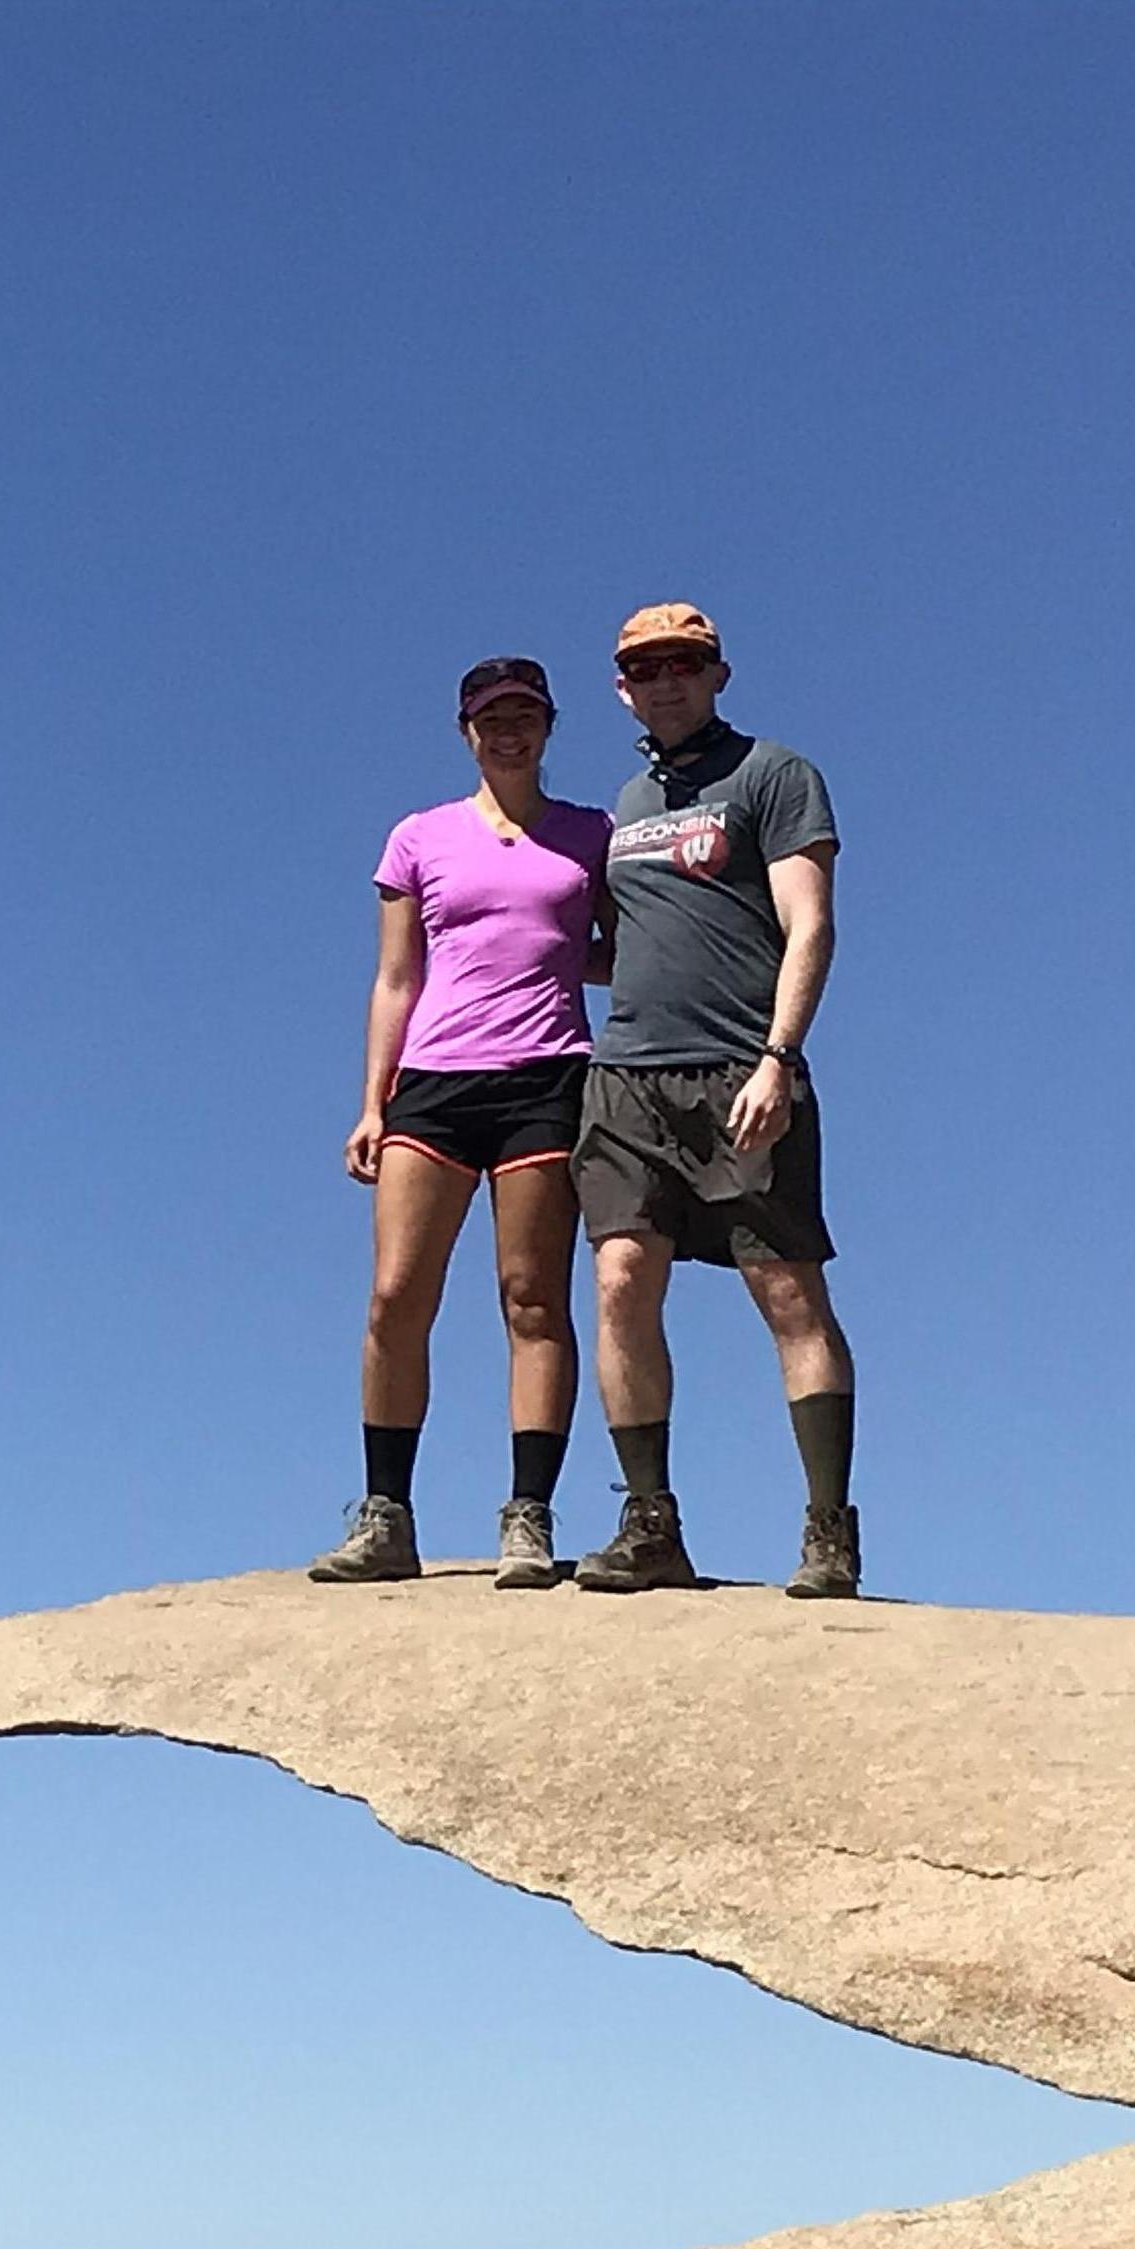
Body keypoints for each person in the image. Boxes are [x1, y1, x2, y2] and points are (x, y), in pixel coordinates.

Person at [567, 603, 858, 1597]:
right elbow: (625, 943)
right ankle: (649, 1521)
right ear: (620, 688)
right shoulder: (623, 806)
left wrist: (779, 1055)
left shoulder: (772, 776)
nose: (663, 682)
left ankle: (827, 1530)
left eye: (682, 665)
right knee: (617, 1282)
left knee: (783, 1290)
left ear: (717, 673)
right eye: (643, 669)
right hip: (626, 1076)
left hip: (741, 1064)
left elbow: (808, 924)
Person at [309, 656, 611, 1588]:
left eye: (525, 715)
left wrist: (562, 958)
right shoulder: (419, 838)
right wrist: (371, 1100)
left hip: (547, 1081)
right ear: (465, 731)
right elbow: (398, 976)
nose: (508, 732)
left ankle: (528, 1516)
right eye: (490, 718)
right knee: (396, 1296)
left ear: (550, 726)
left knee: (532, 1297)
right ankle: (387, 1514)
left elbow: (617, 951)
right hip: (433, 1084)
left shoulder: (593, 836)